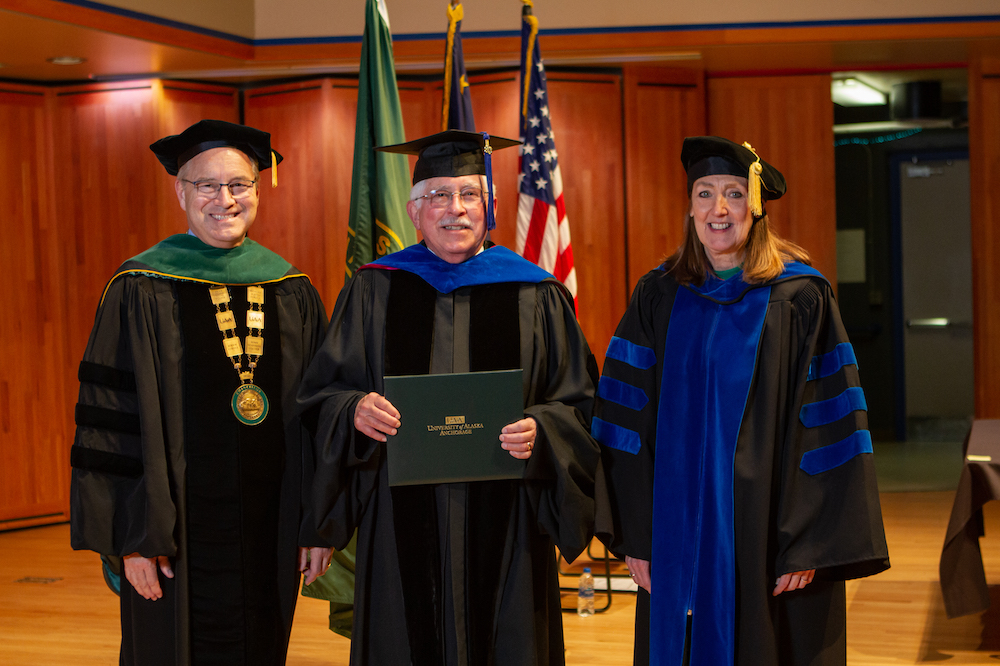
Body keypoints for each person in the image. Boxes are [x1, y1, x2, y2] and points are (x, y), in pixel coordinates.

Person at [297, 130, 607, 665]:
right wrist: (354, 411)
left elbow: (580, 405)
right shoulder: (374, 290)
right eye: (439, 195)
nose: (455, 210)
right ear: (415, 210)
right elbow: (323, 394)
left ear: (489, 207)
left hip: (508, 522)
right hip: (398, 525)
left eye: (469, 195)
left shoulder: (535, 293)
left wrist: (544, 428)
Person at [593, 136, 890, 665]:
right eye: (704, 193)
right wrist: (637, 533)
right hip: (675, 533)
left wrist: (807, 542)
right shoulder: (657, 296)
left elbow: (827, 427)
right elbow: (623, 422)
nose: (719, 209)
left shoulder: (800, 298)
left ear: (756, 207)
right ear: (690, 206)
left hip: (766, 535)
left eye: (733, 193)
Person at [69, 119, 334, 665]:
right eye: (207, 186)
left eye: (238, 184)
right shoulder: (139, 288)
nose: (225, 199)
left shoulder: (292, 289)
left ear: (258, 190)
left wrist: (317, 522)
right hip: (172, 536)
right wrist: (135, 535)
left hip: (270, 530)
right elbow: (112, 418)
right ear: (180, 192)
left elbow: (320, 418)